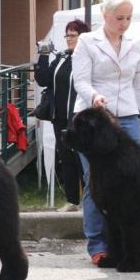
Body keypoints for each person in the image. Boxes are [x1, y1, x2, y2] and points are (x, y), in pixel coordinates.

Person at [72, 0, 140, 265]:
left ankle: (128, 244)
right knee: (95, 183)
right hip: (93, 121)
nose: (124, 23)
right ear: (105, 15)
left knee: (132, 185)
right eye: (119, 18)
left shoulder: (135, 44)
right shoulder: (87, 42)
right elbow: (80, 80)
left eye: (128, 18)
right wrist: (95, 97)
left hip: (126, 119)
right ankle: (98, 245)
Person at [34, 19, 89, 210]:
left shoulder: (87, 58)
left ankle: (89, 201)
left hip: (81, 119)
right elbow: (43, 79)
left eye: (73, 35)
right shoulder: (62, 58)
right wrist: (43, 55)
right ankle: (72, 200)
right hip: (60, 117)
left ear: (83, 37)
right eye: (67, 35)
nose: (68, 39)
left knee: (82, 158)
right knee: (66, 158)